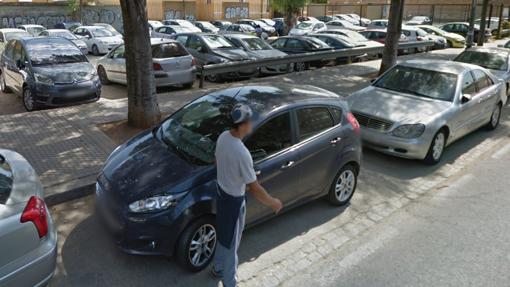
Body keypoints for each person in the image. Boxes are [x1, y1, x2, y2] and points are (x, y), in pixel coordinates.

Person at [211, 103, 283, 287]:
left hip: (221, 194)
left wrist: (232, 175)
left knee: (223, 235)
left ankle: (217, 267)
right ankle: (230, 282)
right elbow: (255, 189)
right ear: (242, 125)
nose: (252, 123)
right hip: (234, 202)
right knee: (232, 245)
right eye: (249, 120)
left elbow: (217, 161)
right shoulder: (242, 153)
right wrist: (273, 202)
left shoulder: (223, 138)